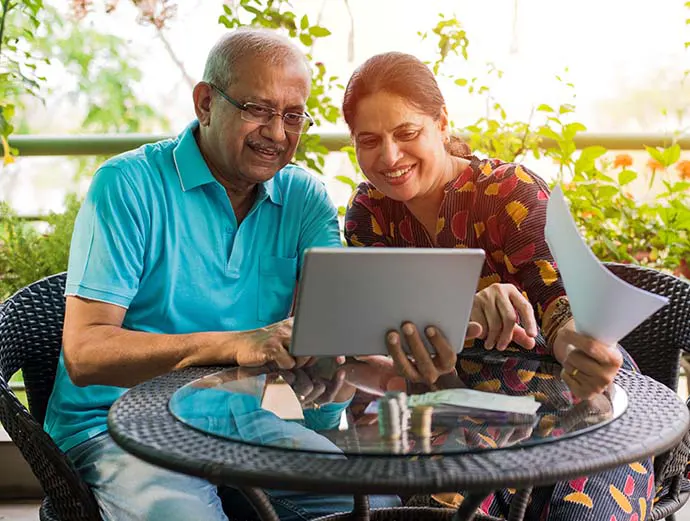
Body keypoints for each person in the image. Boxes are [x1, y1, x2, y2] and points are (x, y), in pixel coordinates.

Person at [44, 29, 400, 521]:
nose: (277, 133)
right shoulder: (127, 185)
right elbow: (85, 353)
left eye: (293, 115)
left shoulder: (304, 200)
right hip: (116, 422)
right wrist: (237, 343)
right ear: (205, 102)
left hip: (242, 415)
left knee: (376, 507)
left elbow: (334, 330)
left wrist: (379, 358)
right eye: (258, 109)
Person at [341, 51, 653, 521]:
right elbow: (394, 342)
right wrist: (454, 325)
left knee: (580, 514)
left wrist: (580, 350)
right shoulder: (369, 213)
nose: (389, 157)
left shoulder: (510, 192)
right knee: (440, 511)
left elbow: (562, 313)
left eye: (407, 133)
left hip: (569, 391)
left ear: (441, 122)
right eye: (370, 141)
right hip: (460, 401)